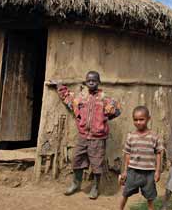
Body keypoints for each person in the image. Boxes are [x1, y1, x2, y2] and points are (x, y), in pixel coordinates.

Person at [47, 71, 121, 199]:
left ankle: (96, 187)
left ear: (99, 82)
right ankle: (76, 183)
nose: (91, 82)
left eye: (94, 80)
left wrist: (104, 118)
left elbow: (116, 111)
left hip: (98, 138)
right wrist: (59, 86)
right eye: (89, 80)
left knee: (97, 164)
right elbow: (67, 98)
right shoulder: (80, 97)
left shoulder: (105, 98)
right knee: (77, 160)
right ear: (85, 82)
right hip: (83, 136)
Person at [119, 106, 164, 210]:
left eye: (141, 119)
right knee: (126, 193)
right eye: (135, 120)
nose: (138, 122)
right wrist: (125, 171)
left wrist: (157, 171)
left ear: (148, 119)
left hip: (148, 173)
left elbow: (158, 153)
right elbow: (127, 154)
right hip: (133, 171)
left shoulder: (154, 136)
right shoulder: (131, 136)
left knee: (150, 195)